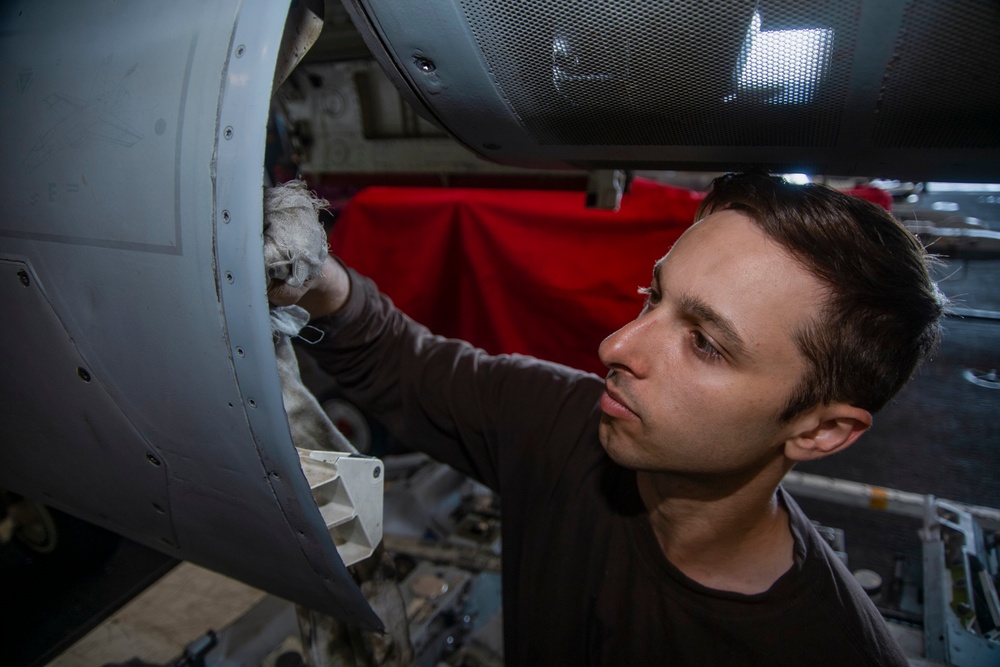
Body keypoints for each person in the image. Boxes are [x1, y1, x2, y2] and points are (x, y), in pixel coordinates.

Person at [269, 172, 945, 665]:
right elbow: (406, 366)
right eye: (655, 297)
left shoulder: (827, 649)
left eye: (706, 343)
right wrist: (315, 273)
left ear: (821, 431)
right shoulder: (569, 423)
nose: (616, 346)